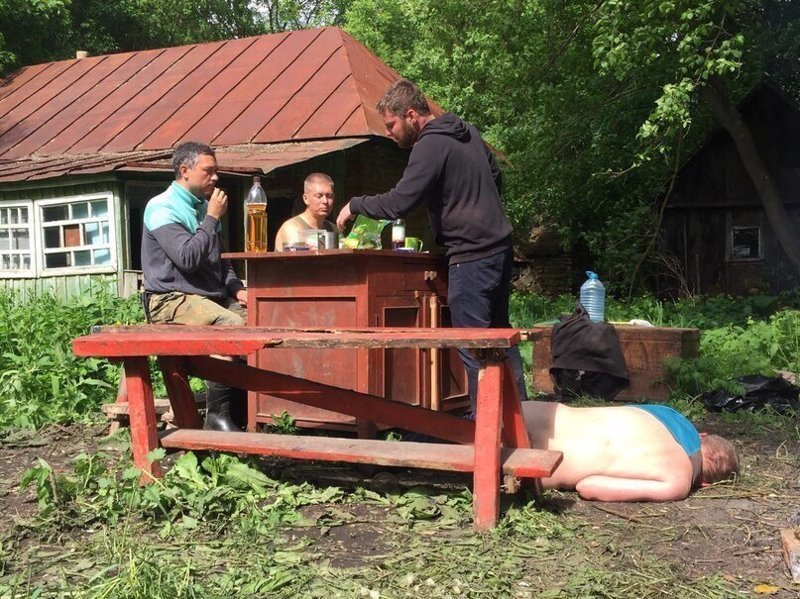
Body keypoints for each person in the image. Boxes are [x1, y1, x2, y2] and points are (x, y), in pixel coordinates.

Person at [335, 78, 527, 414]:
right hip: (499, 248)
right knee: (500, 339)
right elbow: (496, 177)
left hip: (471, 256)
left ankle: (487, 433)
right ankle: (522, 422)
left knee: (475, 347)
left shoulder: (430, 144)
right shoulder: (467, 131)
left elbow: (400, 201)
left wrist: (355, 204)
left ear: (411, 115)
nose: (390, 133)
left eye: (392, 124)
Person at [141, 141, 247, 432]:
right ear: (184, 170)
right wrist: (212, 218)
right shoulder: (162, 207)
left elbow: (220, 262)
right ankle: (216, 418)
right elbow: (187, 258)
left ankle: (243, 413)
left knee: (260, 322)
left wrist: (238, 290)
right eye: (208, 171)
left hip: (208, 296)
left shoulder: (204, 207)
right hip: (169, 299)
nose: (215, 178)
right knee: (230, 326)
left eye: (216, 171)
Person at [523, 401, 740, 501]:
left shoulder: (669, 413)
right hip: (531, 464)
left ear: (702, 435)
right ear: (705, 484)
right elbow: (588, 487)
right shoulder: (678, 482)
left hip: (530, 411)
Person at [274, 173, 337, 250]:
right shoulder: (292, 228)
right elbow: (300, 260)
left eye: (329, 196)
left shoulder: (333, 230)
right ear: (305, 199)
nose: (325, 201)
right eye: (319, 196)